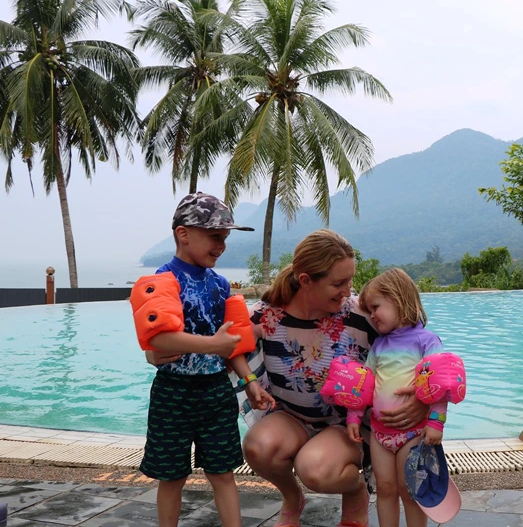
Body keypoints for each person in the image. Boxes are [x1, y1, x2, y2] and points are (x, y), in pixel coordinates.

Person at [234, 230, 428, 527]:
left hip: (346, 427)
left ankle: (356, 490)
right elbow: (230, 346)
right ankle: (291, 498)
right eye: (338, 283)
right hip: (291, 416)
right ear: (306, 281)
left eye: (350, 279)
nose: (348, 290)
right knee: (258, 448)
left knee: (316, 470)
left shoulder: (361, 315)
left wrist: (422, 400)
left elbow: (420, 347)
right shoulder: (267, 316)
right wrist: (250, 381)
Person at [138, 192, 275, 527]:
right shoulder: (162, 280)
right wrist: (212, 345)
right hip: (173, 392)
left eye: (224, 238)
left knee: (223, 473)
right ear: (184, 234)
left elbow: (235, 343)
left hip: (216, 391)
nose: (221, 245)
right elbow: (159, 338)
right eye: (215, 237)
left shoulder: (221, 285)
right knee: (171, 477)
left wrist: (250, 382)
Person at [346, 268, 447, 527]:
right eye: (368, 310)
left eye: (376, 307)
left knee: (409, 491)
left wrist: (436, 422)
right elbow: (364, 383)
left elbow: (440, 383)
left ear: (398, 299)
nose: (372, 316)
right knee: (386, 488)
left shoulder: (426, 341)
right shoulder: (379, 345)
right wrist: (354, 416)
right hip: (380, 433)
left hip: (412, 433)